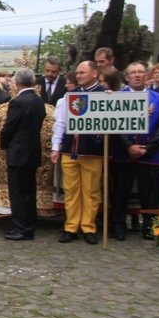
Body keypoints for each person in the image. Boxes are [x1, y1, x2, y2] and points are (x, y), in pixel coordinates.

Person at [109, 62, 159, 240]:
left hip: (149, 154)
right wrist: (129, 145)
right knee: (120, 193)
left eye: (140, 72)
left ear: (146, 76)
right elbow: (113, 125)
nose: (137, 75)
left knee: (149, 194)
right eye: (133, 73)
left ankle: (150, 228)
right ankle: (118, 227)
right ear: (126, 77)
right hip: (123, 153)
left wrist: (149, 148)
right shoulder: (116, 97)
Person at [50, 61, 106, 245]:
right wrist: (56, 147)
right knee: (71, 191)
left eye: (83, 72)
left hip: (92, 151)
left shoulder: (104, 95)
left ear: (94, 73)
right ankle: (71, 226)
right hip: (69, 149)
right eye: (78, 73)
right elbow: (61, 122)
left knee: (91, 191)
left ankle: (88, 226)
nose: (79, 76)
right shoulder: (70, 96)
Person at [0, 69, 46, 240]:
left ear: (16, 83)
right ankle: (30, 221)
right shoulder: (38, 101)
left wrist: (4, 145)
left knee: (18, 191)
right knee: (29, 189)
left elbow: (9, 127)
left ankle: (22, 227)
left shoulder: (18, 102)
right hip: (33, 150)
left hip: (18, 151)